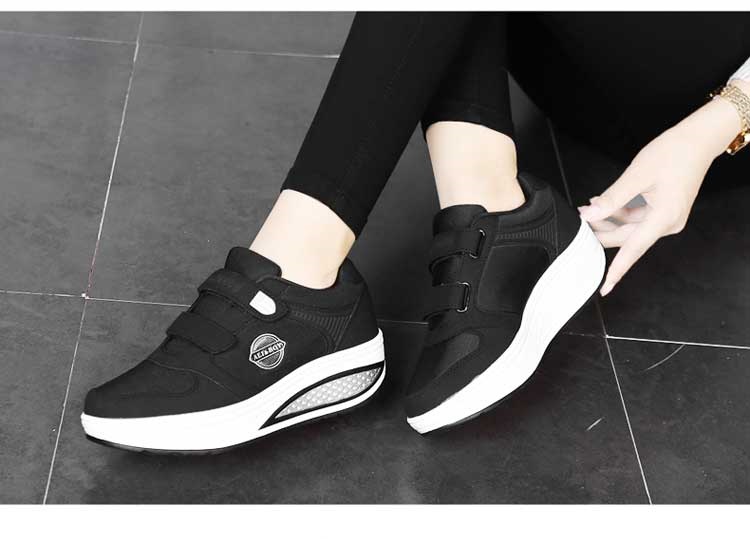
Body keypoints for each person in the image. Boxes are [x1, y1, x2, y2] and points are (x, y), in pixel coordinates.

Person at [79, 13, 750, 453]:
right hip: (569, 65)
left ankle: (300, 278)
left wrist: (717, 125)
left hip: (707, 105)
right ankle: (491, 205)